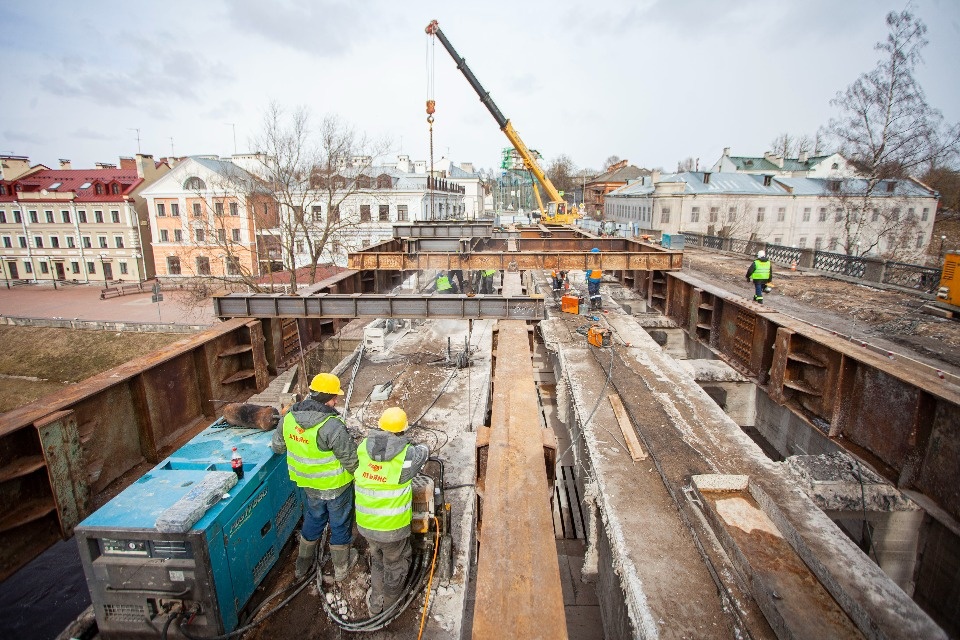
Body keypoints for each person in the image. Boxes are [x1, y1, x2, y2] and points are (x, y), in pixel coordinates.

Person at [271, 372, 359, 581]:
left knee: (313, 518)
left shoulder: (289, 418)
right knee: (339, 522)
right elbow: (351, 462)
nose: (336, 401)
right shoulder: (331, 425)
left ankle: (302, 565)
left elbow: (277, 447)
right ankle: (341, 567)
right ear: (324, 398)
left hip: (308, 484)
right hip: (336, 486)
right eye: (333, 397)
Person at [355, 407, 429, 615]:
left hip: (366, 524)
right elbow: (423, 452)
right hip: (392, 529)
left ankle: (375, 601)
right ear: (403, 430)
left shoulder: (362, 448)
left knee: (378, 558)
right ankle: (389, 603)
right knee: (396, 563)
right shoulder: (407, 455)